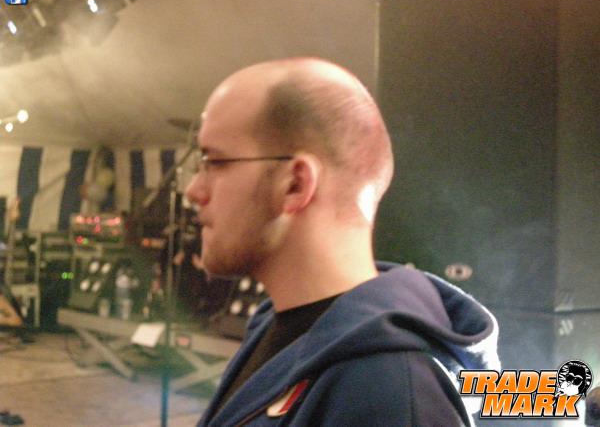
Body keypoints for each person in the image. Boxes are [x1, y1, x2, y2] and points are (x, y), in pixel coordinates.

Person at [186, 57, 500, 426]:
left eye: (215, 162)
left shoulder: (391, 395)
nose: (194, 190)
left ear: (295, 184)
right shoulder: (274, 325)